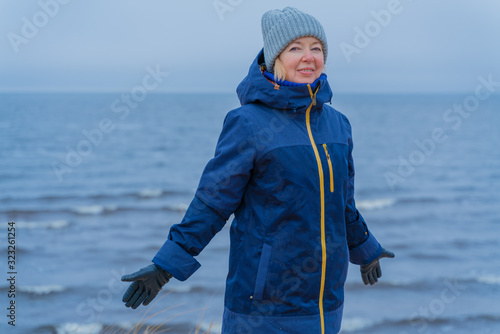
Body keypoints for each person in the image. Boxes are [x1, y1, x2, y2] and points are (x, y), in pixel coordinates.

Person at [121, 7, 394, 334]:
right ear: (275, 57)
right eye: (296, 48)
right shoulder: (247, 123)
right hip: (263, 304)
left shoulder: (338, 125)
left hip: (326, 302)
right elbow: (212, 203)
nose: (308, 57)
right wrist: (167, 265)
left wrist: (364, 247)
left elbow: (342, 204)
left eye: (316, 48)